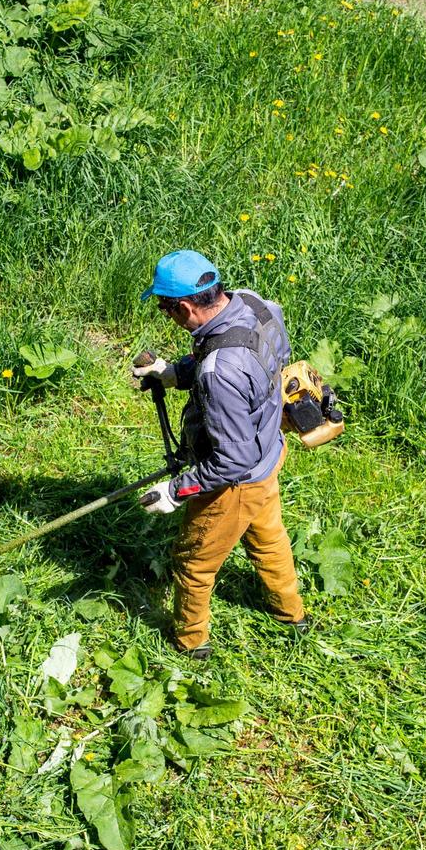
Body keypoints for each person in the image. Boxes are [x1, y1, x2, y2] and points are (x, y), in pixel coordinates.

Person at [133, 250, 309, 660]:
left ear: (183, 307)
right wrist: (176, 372)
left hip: (235, 484)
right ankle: (292, 614)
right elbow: (246, 353)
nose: (166, 315)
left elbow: (231, 460)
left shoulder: (220, 372)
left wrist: (176, 491)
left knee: (194, 562)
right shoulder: (253, 303)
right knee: (269, 541)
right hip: (269, 454)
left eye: (164, 308)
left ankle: (191, 644)